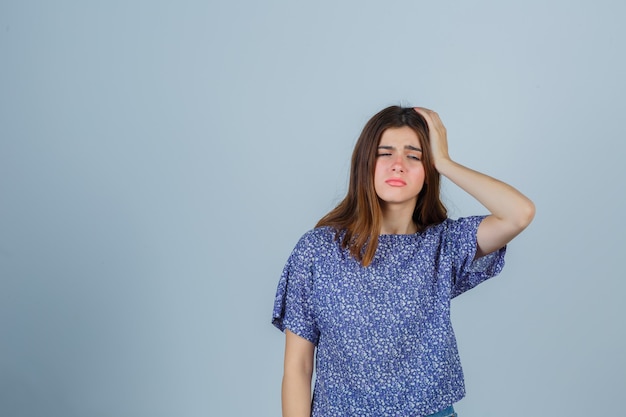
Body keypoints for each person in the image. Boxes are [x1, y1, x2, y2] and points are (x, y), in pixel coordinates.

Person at [271, 106, 535, 417]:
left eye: (414, 156)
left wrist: (445, 163)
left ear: (428, 172)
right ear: (364, 164)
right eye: (385, 154)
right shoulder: (318, 250)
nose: (398, 165)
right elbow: (298, 368)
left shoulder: (443, 245)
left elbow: (519, 214)